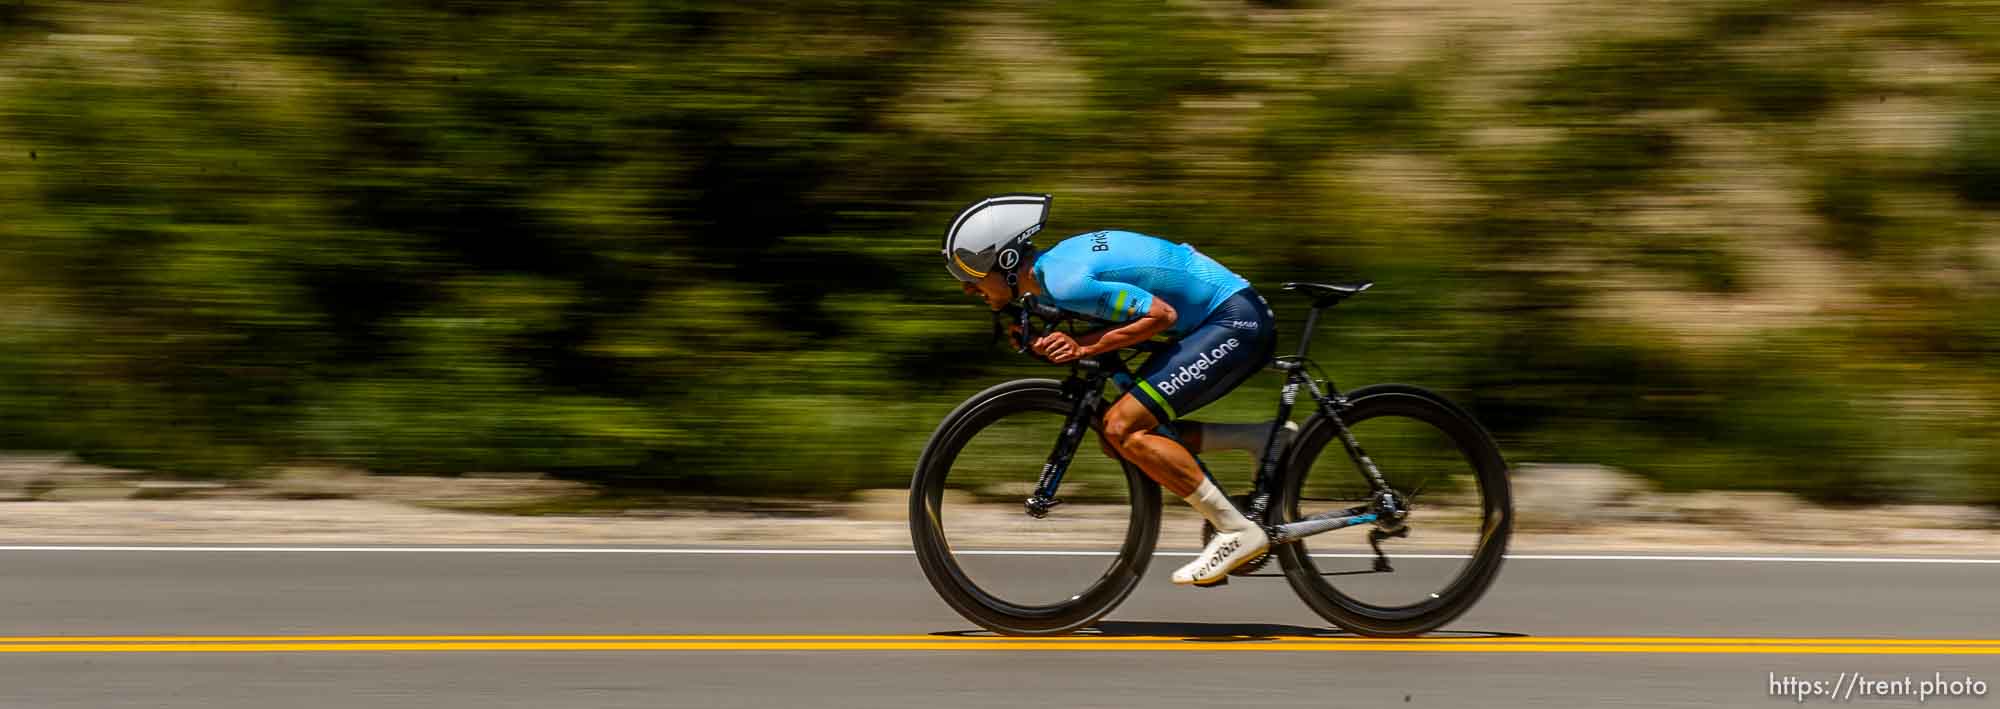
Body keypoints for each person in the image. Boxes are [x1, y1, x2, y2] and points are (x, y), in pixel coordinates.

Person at [942, 193, 1290, 586]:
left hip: (1234, 322)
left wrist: (1084, 346)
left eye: (972, 275)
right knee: (1118, 440)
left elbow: (1160, 314)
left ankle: (1236, 530)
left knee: (1123, 428)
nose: (968, 288)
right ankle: (1261, 439)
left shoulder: (1065, 281)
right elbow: (1104, 309)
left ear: (1005, 262)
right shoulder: (1050, 274)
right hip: (1219, 318)